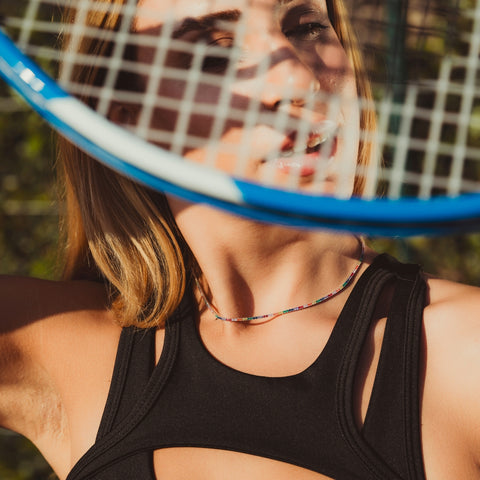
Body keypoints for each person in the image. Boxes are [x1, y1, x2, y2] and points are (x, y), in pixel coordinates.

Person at [1, 0, 480, 479]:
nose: (300, 81)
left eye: (309, 27)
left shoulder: (463, 351)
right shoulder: (67, 347)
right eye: (216, 55)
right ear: (126, 117)